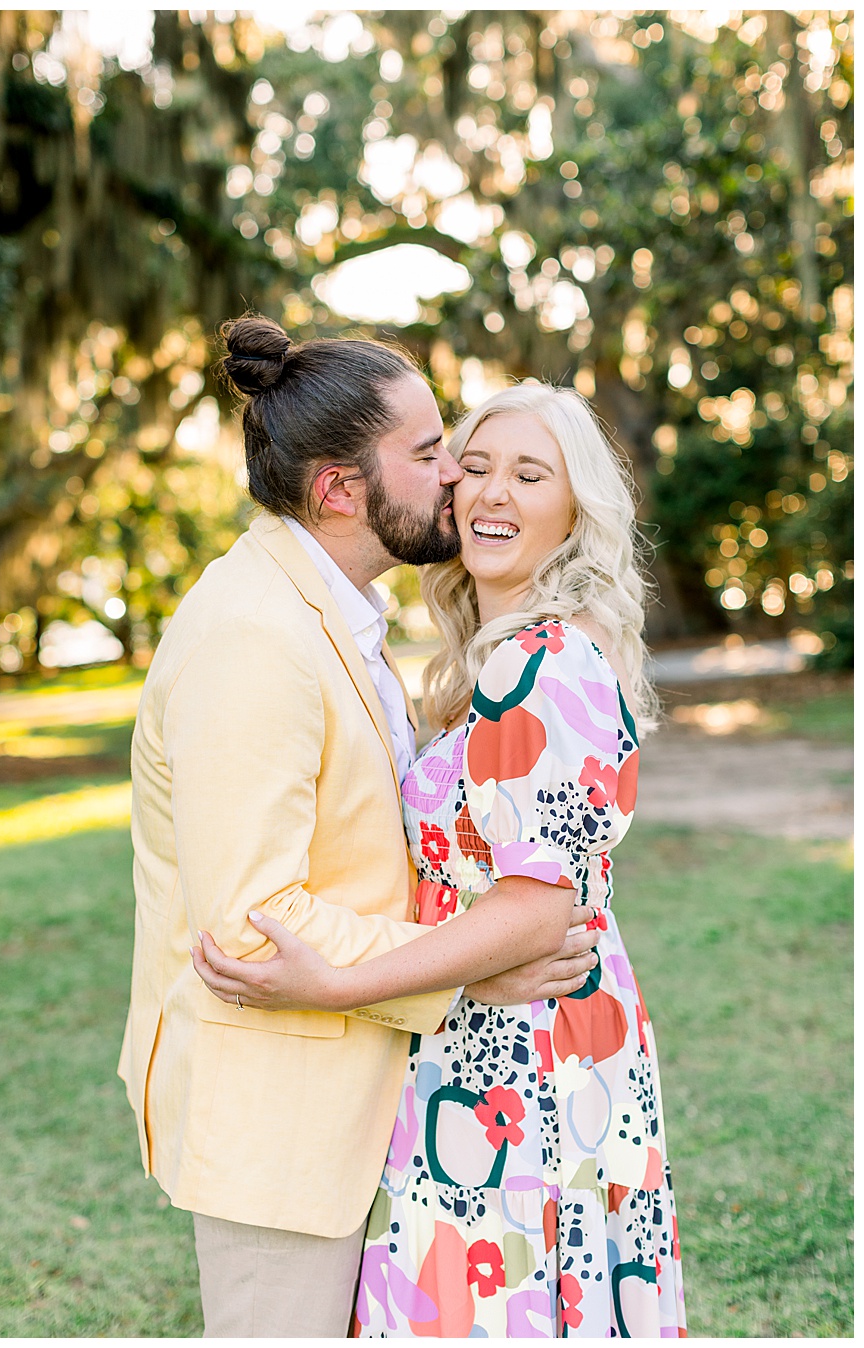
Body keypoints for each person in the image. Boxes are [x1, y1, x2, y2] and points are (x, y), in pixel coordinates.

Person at [118, 316, 604, 1337]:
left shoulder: (329, 610)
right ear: (341, 490)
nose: (458, 477)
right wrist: (460, 970)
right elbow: (252, 928)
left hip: (363, 1102)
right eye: (430, 455)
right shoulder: (254, 638)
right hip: (281, 1120)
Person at [194, 382, 687, 1336]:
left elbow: (539, 906)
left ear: (576, 510)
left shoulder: (544, 662)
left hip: (525, 1061)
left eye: (531, 475)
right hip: (483, 1031)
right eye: (476, 466)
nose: (493, 492)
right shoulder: (493, 659)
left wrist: (339, 983)